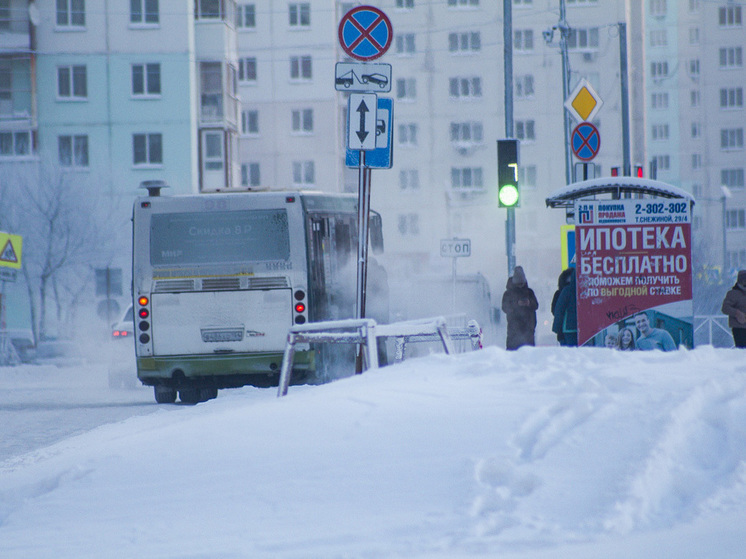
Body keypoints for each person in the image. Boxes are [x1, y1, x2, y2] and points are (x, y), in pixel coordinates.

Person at [501, 265, 539, 350]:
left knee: (529, 354)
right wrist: (517, 304)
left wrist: (529, 303)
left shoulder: (529, 292)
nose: (520, 285)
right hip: (514, 331)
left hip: (529, 331)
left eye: (522, 283)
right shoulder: (508, 294)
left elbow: (536, 305)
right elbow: (505, 307)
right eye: (519, 283)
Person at [552, 267, 577, 346]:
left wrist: (556, 328)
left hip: (567, 329)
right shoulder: (584, 291)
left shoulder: (564, 292)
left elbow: (558, 311)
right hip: (584, 330)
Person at [721, 269, 746, 348]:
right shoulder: (733, 293)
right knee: (741, 350)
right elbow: (725, 308)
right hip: (739, 327)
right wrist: (737, 313)